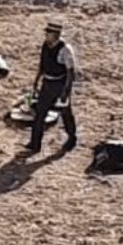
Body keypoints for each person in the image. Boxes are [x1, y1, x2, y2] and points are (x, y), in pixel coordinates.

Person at [20, 22, 77, 156]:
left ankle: (72, 138)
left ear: (56, 35)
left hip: (60, 84)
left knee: (65, 114)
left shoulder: (65, 49)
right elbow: (42, 64)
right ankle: (35, 144)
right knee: (39, 113)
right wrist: (36, 80)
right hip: (47, 83)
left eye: (49, 33)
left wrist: (66, 92)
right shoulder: (45, 46)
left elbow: (70, 72)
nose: (46, 36)